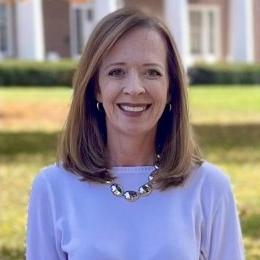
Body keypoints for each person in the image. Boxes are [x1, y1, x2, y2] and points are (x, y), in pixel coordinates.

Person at [26, 8, 244, 260]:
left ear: (171, 88)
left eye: (152, 72)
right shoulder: (53, 187)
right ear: (96, 87)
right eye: (116, 72)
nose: (134, 88)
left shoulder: (209, 187)